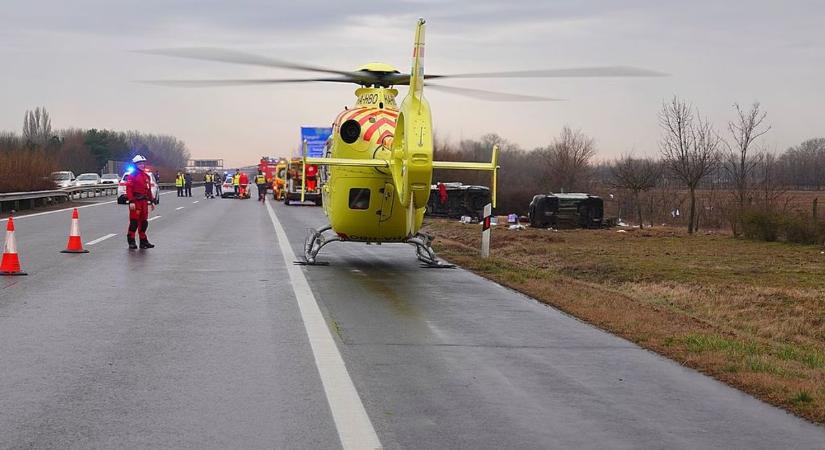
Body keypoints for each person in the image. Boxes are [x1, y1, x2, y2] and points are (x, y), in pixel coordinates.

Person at [126, 155, 155, 249]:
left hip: (144, 202)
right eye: (140, 164)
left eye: (143, 163)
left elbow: (148, 189)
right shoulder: (132, 175)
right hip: (136, 201)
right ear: (135, 164)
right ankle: (131, 241)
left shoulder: (146, 176)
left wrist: (152, 201)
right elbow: (129, 189)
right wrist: (131, 201)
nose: (142, 165)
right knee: (134, 222)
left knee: (144, 223)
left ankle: (143, 241)